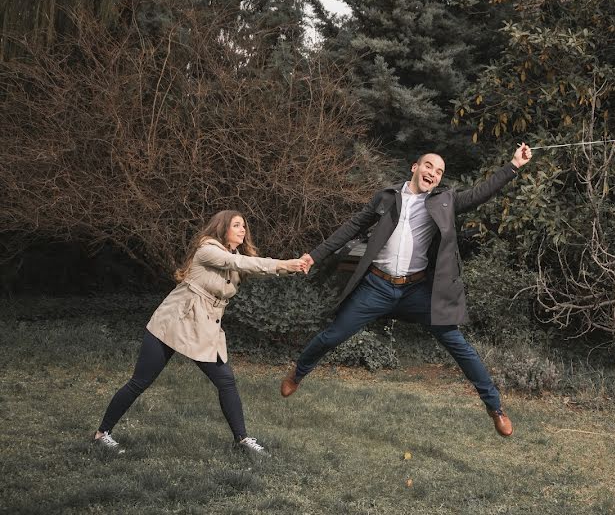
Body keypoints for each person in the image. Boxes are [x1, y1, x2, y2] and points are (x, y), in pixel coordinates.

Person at [280, 144, 533, 436]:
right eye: (429, 166)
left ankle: (495, 407)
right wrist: (314, 255)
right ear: (415, 167)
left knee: (458, 345)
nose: (433, 174)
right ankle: (298, 373)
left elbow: (479, 193)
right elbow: (351, 227)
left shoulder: (444, 201)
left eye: (439, 172)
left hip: (415, 291)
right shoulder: (387, 198)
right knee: (333, 334)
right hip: (376, 286)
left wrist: (513, 165)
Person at [93, 210, 306, 455]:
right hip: (173, 322)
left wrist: (293, 267)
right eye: (236, 225)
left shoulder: (235, 255)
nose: (242, 230)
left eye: (244, 226)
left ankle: (243, 441)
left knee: (226, 381)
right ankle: (101, 434)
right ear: (222, 227)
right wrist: (283, 263)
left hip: (205, 326)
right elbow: (238, 263)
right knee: (140, 381)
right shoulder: (208, 250)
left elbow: (252, 266)